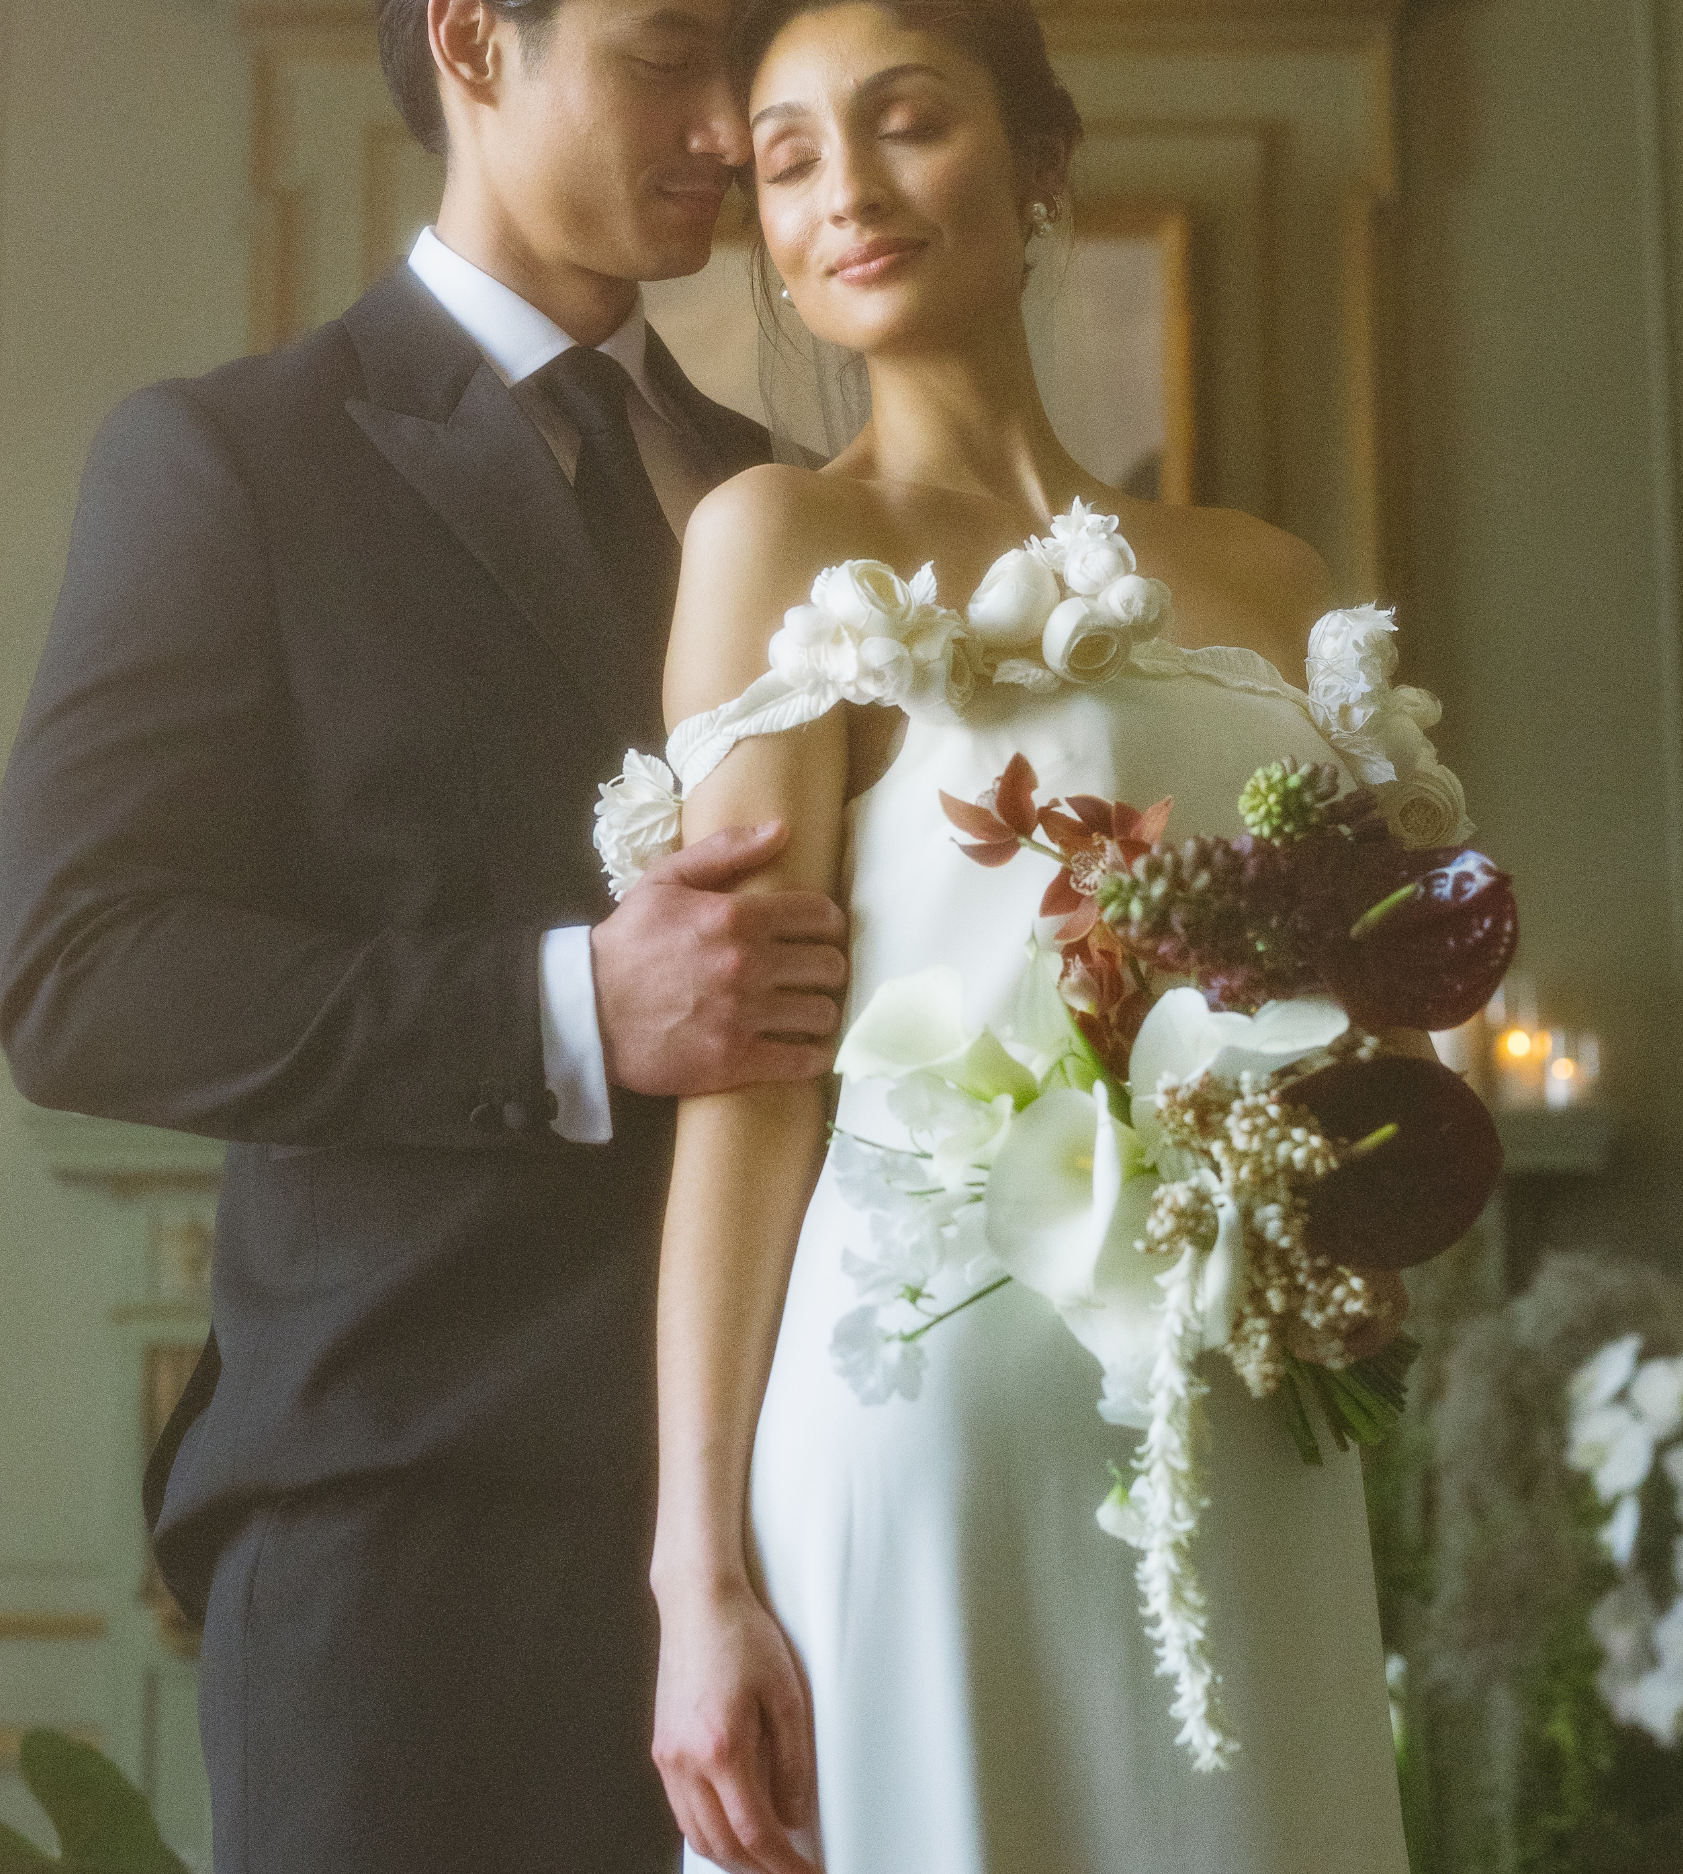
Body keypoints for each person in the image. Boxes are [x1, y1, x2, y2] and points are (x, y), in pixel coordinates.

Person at [0, 0, 853, 1867]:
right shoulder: (230, 459)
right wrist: (572, 1005)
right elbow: (81, 974)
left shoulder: (782, 498)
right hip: (401, 1536)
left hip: (794, 1516)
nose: (728, 123)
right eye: (665, 55)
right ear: (473, 39)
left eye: (740, 64)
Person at [639, 0, 1415, 1868]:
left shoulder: (1271, 580)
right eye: (791, 159)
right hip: (929, 1421)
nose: (846, 191)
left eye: (905, 121)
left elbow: (1360, 1017)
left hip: (1242, 1401)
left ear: (1042, 160)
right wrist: (695, 1573)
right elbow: (747, 1085)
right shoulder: (774, 543)